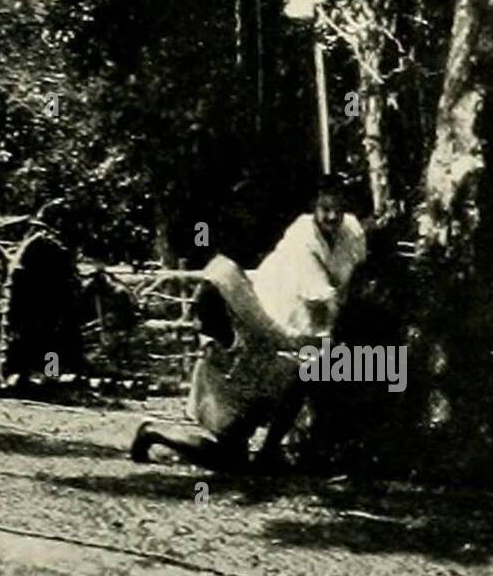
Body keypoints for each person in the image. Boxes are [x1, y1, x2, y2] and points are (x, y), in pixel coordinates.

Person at [130, 174, 366, 470]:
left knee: (301, 377)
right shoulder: (299, 244)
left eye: (338, 209)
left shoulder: (350, 233)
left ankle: (269, 451)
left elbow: (351, 274)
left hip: (273, 346)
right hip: (241, 372)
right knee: (228, 456)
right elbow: (318, 299)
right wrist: (326, 337)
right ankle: (153, 431)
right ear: (313, 207)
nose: (332, 216)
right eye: (325, 208)